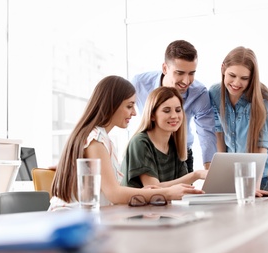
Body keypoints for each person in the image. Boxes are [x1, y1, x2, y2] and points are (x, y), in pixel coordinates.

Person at [49, 75, 204, 210]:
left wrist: (148, 192)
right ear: (112, 104)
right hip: (71, 218)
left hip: (89, 216)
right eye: (129, 106)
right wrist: (165, 192)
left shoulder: (101, 138)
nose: (135, 112)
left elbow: (111, 190)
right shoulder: (96, 140)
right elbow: (114, 194)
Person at [130, 40, 217, 172]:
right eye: (180, 73)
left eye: (191, 73)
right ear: (165, 68)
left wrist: (211, 172)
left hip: (181, 154)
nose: (187, 81)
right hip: (148, 152)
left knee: (184, 192)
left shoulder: (199, 92)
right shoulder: (139, 84)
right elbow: (120, 109)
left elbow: (206, 132)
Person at [208, 46, 268, 194]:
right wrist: (223, 176)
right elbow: (218, 134)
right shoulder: (214, 93)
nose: (236, 83)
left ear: (252, 77)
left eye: (244, 78)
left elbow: (262, 146)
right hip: (234, 178)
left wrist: (254, 188)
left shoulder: (263, 100)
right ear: (223, 69)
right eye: (232, 75)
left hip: (261, 180)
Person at [121, 87, 207, 188]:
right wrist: (196, 175)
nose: (174, 116)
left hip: (166, 204)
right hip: (140, 203)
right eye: (167, 111)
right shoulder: (140, 142)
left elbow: (183, 188)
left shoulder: (175, 144)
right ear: (152, 115)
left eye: (178, 110)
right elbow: (154, 188)